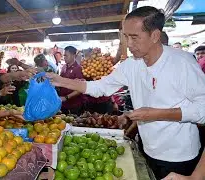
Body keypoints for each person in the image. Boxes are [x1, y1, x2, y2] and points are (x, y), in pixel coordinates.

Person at [47, 6, 205, 179]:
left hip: (179, 157)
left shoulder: (182, 63)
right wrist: (60, 80)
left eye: (134, 37)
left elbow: (202, 110)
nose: (129, 44)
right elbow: (101, 87)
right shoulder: (132, 65)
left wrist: (157, 114)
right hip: (147, 149)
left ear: (155, 36)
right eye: (126, 37)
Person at [59, 46, 85, 115]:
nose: (64, 57)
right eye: (64, 55)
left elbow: (80, 88)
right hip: (64, 104)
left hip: (74, 105)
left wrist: (66, 97)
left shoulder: (78, 69)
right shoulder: (64, 67)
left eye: (66, 55)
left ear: (73, 55)